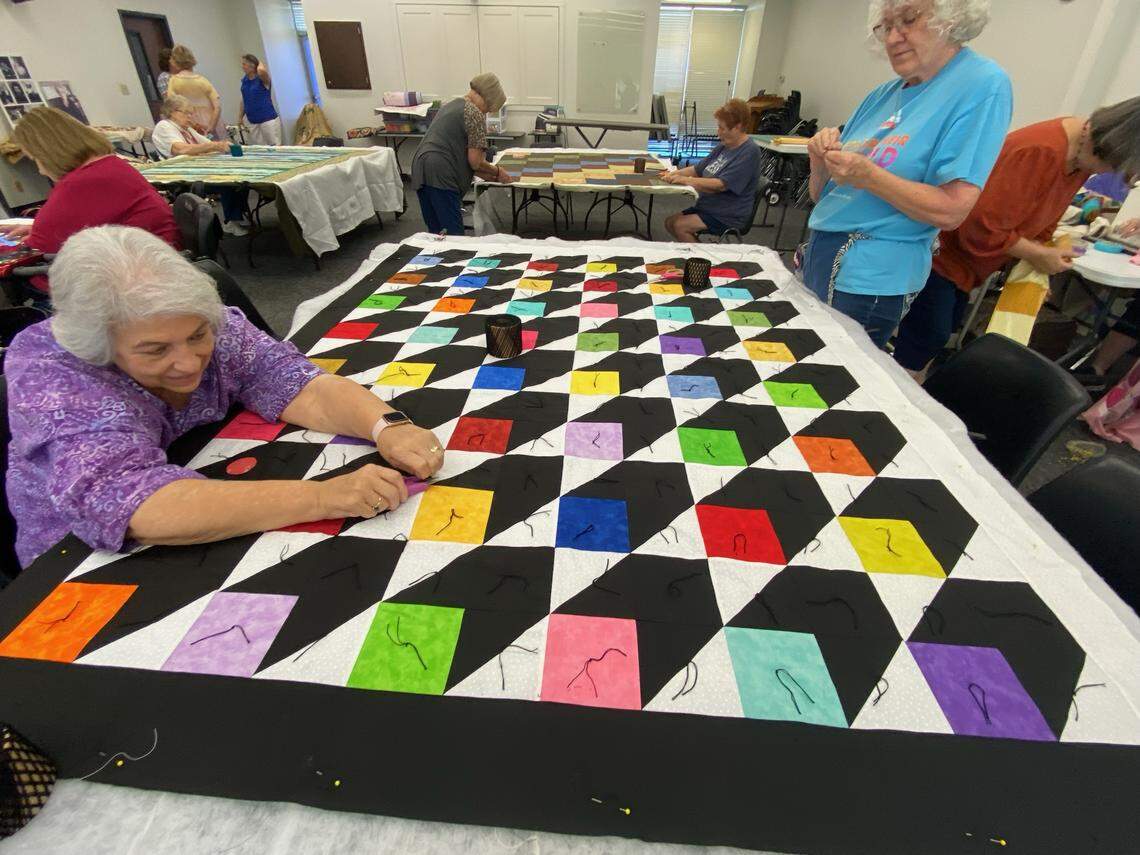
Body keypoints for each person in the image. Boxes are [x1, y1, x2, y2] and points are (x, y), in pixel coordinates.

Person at [4, 226, 446, 569]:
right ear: (97, 345)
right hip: (78, 558)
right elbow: (136, 507)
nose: (189, 361)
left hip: (201, 474)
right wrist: (326, 497)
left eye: (198, 336)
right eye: (156, 350)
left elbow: (297, 383)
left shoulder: (201, 321)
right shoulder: (53, 370)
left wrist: (387, 425)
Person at [801, 0, 1011, 347]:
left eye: (909, 20)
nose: (894, 38)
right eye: (886, 27)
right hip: (821, 253)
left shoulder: (982, 85)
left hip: (870, 277)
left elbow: (952, 210)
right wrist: (819, 162)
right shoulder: (883, 95)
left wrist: (868, 175)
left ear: (952, 17)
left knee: (826, 380)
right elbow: (823, 198)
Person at [894, 99, 1140, 376]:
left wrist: (1035, 270)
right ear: (1105, 143)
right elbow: (979, 226)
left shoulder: (1080, 157)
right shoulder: (1040, 150)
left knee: (935, 337)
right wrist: (1036, 256)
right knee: (926, 338)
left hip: (965, 267)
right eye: (1109, 166)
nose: (1102, 174)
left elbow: (1043, 224)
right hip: (941, 257)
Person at [0, 107, 179, 293]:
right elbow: (89, 220)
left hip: (137, 282)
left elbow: (39, 251)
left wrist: (34, 236)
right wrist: (37, 230)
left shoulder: (80, 184)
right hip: (154, 262)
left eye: (36, 159)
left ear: (49, 152)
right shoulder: (110, 165)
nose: (40, 170)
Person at [410, 73, 512, 235]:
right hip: (441, 172)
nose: (485, 113)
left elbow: (464, 156)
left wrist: (487, 175)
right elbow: (475, 162)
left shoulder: (452, 105)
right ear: (487, 99)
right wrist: (498, 172)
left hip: (420, 167)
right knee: (454, 237)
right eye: (488, 109)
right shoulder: (474, 113)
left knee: (436, 233)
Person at [662, 99, 760, 242]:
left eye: (722, 128)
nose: (718, 133)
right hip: (709, 208)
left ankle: (703, 262)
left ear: (738, 127)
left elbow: (720, 184)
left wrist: (685, 180)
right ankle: (698, 254)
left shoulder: (749, 152)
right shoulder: (724, 146)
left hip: (728, 215)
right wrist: (674, 173)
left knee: (679, 226)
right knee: (670, 223)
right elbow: (697, 169)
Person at [153, 95, 248, 235]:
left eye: (191, 113)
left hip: (197, 170)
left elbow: (207, 144)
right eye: (187, 113)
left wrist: (221, 144)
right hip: (183, 176)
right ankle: (231, 221)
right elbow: (181, 149)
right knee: (228, 181)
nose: (190, 117)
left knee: (241, 176)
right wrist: (215, 146)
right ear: (173, 112)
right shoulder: (164, 127)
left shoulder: (185, 129)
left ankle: (237, 214)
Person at [167, 44, 227, 141]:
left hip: (189, 123)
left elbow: (172, 107)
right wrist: (211, 126)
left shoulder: (173, 81)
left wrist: (193, 125)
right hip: (212, 121)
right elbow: (217, 107)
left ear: (175, 61)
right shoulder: (203, 80)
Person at [237, 53, 281, 146]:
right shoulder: (245, 81)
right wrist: (240, 117)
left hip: (267, 120)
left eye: (244, 64)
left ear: (252, 65)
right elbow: (244, 99)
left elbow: (261, 70)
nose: (242, 67)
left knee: (275, 147)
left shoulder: (262, 78)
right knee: (261, 149)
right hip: (253, 121)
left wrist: (258, 62)